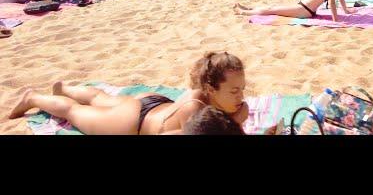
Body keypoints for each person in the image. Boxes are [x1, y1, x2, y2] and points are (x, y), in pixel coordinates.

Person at [8, 51, 250, 135]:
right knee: (74, 111)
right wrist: (235, 121)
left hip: (152, 104)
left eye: (242, 89)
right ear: (211, 88)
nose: (240, 96)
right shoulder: (196, 109)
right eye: (234, 91)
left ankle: (65, 88)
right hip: (133, 123)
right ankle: (32, 97)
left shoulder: (206, 89)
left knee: (99, 98)